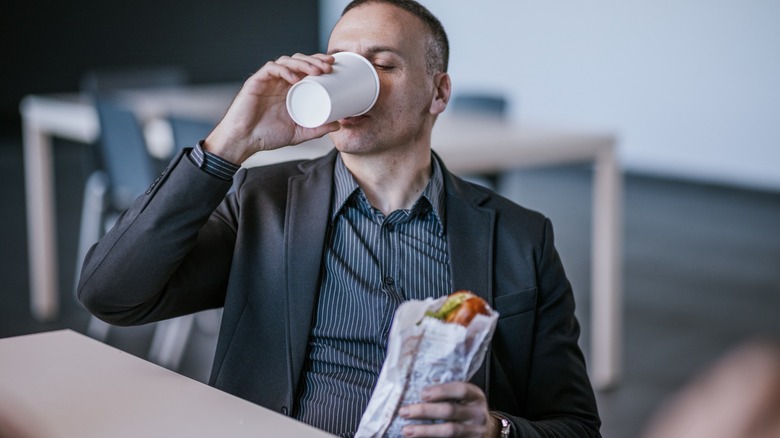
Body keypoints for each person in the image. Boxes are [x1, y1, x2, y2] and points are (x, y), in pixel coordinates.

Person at [77, 0, 601, 436]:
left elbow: (575, 424)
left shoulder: (519, 236)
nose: (355, 81)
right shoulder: (265, 202)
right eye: (339, 63)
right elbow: (110, 295)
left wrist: (494, 430)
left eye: (383, 65)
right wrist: (229, 145)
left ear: (438, 92)